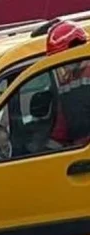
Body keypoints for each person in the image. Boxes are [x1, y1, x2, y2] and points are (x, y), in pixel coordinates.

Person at [46, 20, 90, 148]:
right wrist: (46, 150)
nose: (61, 65)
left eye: (61, 58)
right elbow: (61, 127)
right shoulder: (67, 82)